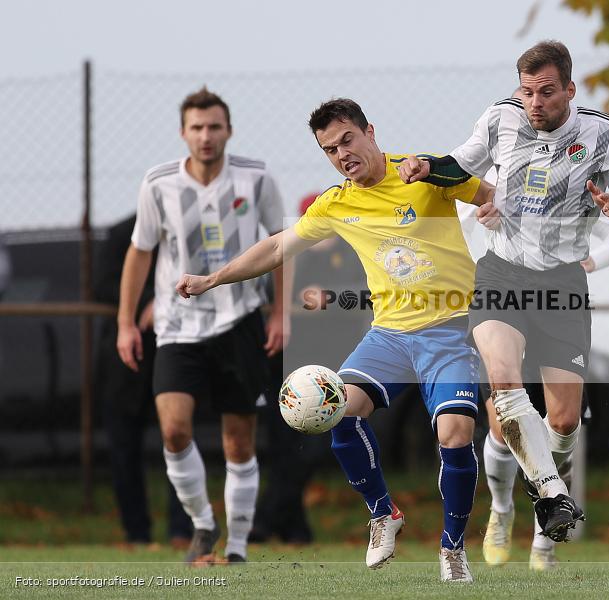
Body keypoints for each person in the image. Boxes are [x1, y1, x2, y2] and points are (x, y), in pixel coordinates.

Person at [175, 98, 498, 582]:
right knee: (337, 409)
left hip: (449, 330)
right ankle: (383, 513)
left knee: (454, 436)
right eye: (330, 149)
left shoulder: (421, 172)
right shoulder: (337, 202)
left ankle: (452, 550)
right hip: (388, 334)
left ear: (370, 131)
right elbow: (276, 247)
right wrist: (215, 277)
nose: (342, 154)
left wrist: (489, 209)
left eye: (347, 140)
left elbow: (486, 193)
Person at [400, 40, 609, 548]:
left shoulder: (603, 133)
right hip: (501, 275)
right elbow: (458, 167)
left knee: (563, 421)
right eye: (528, 91)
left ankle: (541, 519)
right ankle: (511, 504)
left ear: (569, 90)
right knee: (504, 385)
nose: (535, 102)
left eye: (547, 92)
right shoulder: (500, 119)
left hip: (561, 284)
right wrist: (427, 166)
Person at [116, 87, 288, 565]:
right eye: (197, 127)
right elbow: (140, 251)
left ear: (228, 130)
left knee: (238, 440)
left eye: (214, 126)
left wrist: (278, 312)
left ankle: (236, 547)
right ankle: (202, 524)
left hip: (239, 321)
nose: (206, 136)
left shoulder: (255, 178)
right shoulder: (159, 183)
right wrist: (126, 323)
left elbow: (280, 244)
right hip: (176, 328)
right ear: (183, 133)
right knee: (173, 431)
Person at [250, 193, 369, 545]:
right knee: (285, 448)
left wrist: (329, 297)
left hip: (335, 365)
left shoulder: (352, 253)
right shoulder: (290, 257)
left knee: (317, 447)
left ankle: (264, 521)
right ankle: (295, 529)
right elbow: (271, 301)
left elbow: (370, 294)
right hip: (287, 365)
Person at [95, 213, 193, 546]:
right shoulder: (122, 233)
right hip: (126, 362)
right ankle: (136, 533)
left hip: (175, 354)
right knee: (124, 449)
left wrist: (165, 299)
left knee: (178, 438)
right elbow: (102, 284)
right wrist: (149, 298)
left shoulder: (187, 236)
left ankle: (182, 529)